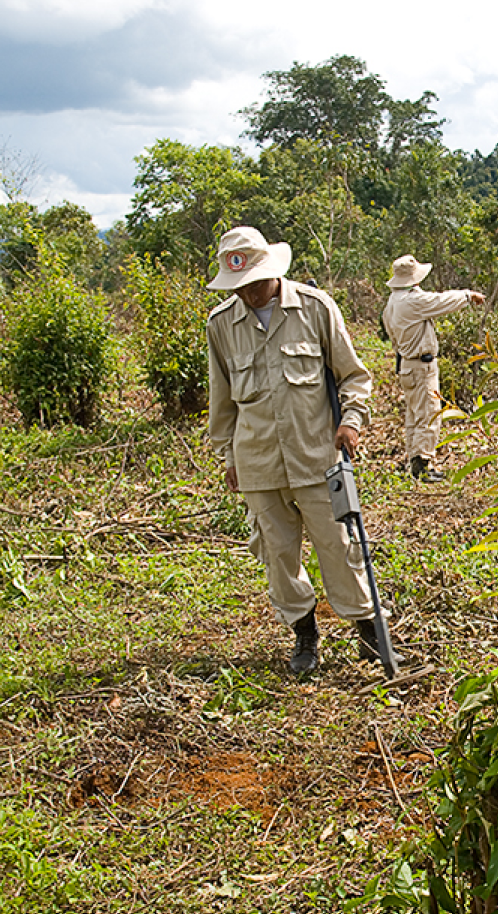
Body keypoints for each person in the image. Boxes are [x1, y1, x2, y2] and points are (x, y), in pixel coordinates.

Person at [206, 226, 388, 674]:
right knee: (277, 555)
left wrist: (351, 421)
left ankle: (369, 630)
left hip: (316, 458)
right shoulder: (221, 325)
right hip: (257, 463)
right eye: (238, 286)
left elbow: (353, 376)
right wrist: (229, 456)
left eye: (254, 282)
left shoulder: (315, 307)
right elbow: (221, 399)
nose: (248, 292)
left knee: (340, 547)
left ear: (272, 270)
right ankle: (304, 635)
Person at [381, 254, 484, 483]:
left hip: (406, 364)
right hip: (421, 365)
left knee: (414, 414)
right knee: (429, 413)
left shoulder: (392, 303)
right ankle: (423, 464)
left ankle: (415, 460)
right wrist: (468, 296)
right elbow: (440, 301)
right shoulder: (412, 301)